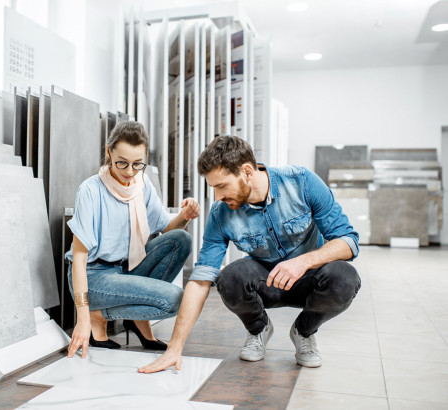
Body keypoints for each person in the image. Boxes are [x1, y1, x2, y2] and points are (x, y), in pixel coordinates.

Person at [139, 136, 361, 372]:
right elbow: (201, 279)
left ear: (246, 171)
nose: (217, 197)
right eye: (213, 188)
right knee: (230, 278)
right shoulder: (220, 213)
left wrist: (303, 262)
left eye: (221, 186)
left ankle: (304, 332)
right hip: (266, 282)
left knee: (345, 278)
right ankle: (259, 329)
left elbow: (348, 241)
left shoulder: (302, 182)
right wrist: (174, 348)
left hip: (309, 278)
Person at [66, 121, 201, 359]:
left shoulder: (141, 183)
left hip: (126, 268)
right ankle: (100, 315)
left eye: (137, 164)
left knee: (181, 239)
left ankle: (135, 319)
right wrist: (83, 317)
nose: (129, 171)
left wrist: (185, 216)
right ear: (109, 153)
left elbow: (167, 229)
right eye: (122, 163)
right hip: (94, 275)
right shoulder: (90, 190)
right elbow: (79, 259)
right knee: (176, 299)